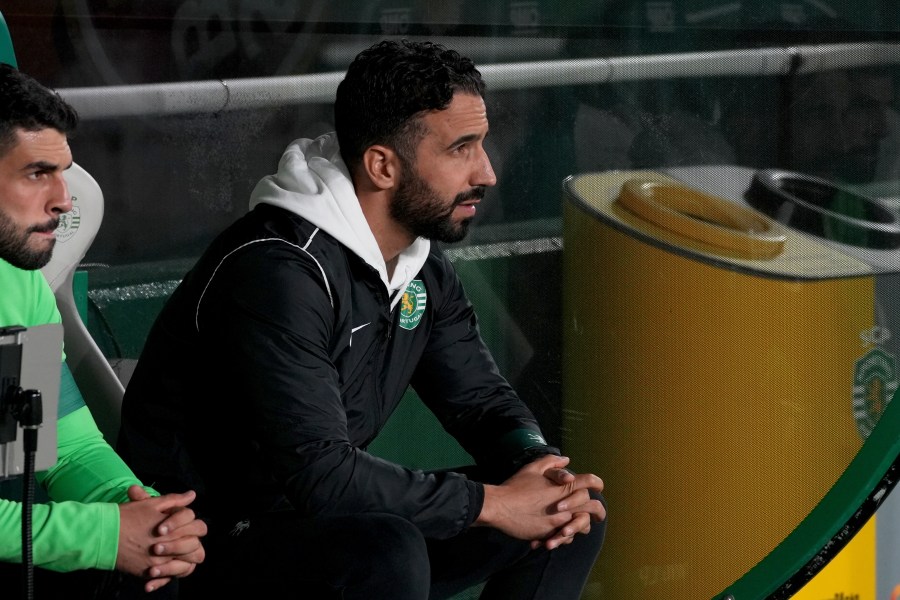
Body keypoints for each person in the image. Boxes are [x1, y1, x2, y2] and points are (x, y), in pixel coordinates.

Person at [118, 39, 606, 599]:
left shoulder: (419, 263)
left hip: (316, 520)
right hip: (202, 543)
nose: (488, 173)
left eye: (482, 145)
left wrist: (540, 468)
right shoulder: (278, 271)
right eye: (461, 148)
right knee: (385, 552)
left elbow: (480, 402)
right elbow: (323, 474)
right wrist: (495, 504)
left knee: (571, 515)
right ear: (382, 165)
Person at [0, 62, 207, 598]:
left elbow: (65, 449)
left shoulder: (20, 288)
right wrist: (104, 535)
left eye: (63, 172)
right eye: (35, 173)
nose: (64, 199)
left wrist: (138, 512)